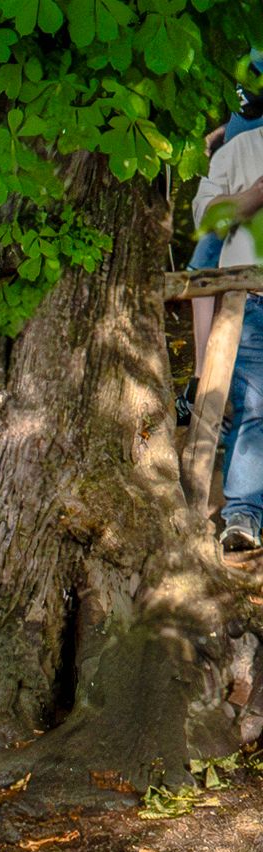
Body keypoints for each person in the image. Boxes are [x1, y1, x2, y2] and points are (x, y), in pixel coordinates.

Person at [192, 88, 263, 558]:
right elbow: (205, 218)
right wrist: (255, 195)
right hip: (254, 303)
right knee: (256, 405)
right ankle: (242, 513)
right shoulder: (240, 150)